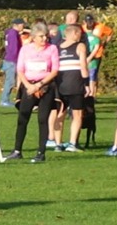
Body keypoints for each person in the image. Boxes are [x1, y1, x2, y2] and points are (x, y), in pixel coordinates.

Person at [11, 22, 60, 163]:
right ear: (33, 37)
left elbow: (54, 70)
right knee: (22, 118)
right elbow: (20, 69)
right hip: (28, 86)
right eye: (40, 36)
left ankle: (41, 152)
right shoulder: (26, 49)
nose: (44, 39)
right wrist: (28, 86)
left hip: (45, 86)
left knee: (42, 119)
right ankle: (17, 150)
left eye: (45, 36)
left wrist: (39, 84)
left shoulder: (52, 49)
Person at [48, 19, 90, 152]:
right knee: (77, 114)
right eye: (79, 33)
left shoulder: (56, 47)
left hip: (60, 85)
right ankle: (72, 143)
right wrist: (87, 84)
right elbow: (83, 66)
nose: (81, 36)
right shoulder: (80, 46)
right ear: (75, 33)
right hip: (75, 84)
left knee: (59, 114)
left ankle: (58, 144)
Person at [1, 20, 25, 106]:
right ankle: (4, 100)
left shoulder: (10, 33)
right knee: (10, 81)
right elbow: (14, 49)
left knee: (10, 80)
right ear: (17, 25)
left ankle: (5, 99)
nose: (23, 26)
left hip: (9, 59)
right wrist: (18, 59)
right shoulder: (13, 34)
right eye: (22, 24)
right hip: (12, 60)